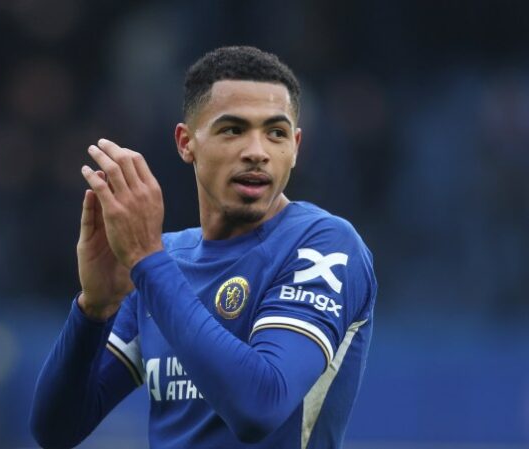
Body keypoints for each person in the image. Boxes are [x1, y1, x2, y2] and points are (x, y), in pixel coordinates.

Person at [30, 46, 377, 449]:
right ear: (186, 142)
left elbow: (259, 406)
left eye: (276, 133)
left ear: (296, 147)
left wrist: (147, 261)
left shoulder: (323, 245)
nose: (257, 151)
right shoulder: (165, 263)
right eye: (233, 129)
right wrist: (93, 310)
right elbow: (56, 430)